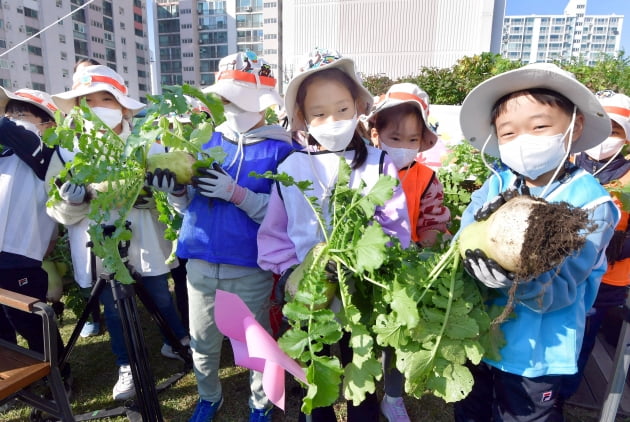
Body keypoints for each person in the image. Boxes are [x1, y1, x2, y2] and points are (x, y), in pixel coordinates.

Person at [452, 63, 619, 421]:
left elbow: (563, 290)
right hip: (480, 336)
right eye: (508, 133)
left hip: (537, 353)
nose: (524, 140)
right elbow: (464, 236)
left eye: (540, 126)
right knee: (471, 412)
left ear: (575, 127)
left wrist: (519, 279)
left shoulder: (591, 205)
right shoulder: (498, 185)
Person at [257, 51, 411, 422]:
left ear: (358, 106)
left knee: (361, 363)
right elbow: (275, 234)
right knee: (318, 369)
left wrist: (362, 260)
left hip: (363, 289)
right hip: (311, 294)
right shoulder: (290, 167)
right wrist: (295, 271)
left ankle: (364, 412)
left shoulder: (377, 163)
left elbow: (395, 228)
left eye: (342, 109)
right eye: (320, 113)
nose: (333, 121)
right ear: (302, 117)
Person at [146, 52, 295, 422]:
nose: (227, 105)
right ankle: (208, 396)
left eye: (234, 97)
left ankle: (260, 403)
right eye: (225, 97)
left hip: (249, 265)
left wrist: (237, 194)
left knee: (256, 342)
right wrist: (174, 191)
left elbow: (285, 217)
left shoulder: (283, 149)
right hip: (199, 260)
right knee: (203, 341)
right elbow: (187, 207)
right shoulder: (203, 141)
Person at [48, 64, 189, 401]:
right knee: (112, 306)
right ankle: (126, 365)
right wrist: (73, 201)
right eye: (89, 100)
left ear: (124, 107)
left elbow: (174, 199)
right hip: (100, 243)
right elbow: (55, 208)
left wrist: (155, 197)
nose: (97, 107)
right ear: (80, 108)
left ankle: (177, 340)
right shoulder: (69, 151)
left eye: (106, 99)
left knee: (158, 293)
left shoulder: (149, 148)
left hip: (145, 239)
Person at [365, 82, 450, 421]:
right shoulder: (363, 169)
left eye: (412, 140)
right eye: (394, 139)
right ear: (376, 135)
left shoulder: (427, 178)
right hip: (364, 267)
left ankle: (394, 395)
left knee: (398, 337)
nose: (403, 147)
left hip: (406, 270)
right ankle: (366, 393)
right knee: (365, 333)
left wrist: (420, 249)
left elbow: (434, 222)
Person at [559, 91, 630, 403]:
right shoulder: (569, 161)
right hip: (561, 269)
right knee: (557, 328)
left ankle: (562, 396)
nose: (607, 138)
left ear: (626, 138)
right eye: (605, 128)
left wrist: (619, 242)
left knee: (583, 337)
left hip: (607, 279)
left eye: (616, 131)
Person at [0, 87, 73, 393]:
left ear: (47, 124)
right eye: (10, 111)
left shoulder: (45, 153)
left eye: (21, 113)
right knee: (3, 328)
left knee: (32, 324)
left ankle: (59, 377)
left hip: (22, 254)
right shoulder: (6, 154)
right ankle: (17, 380)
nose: (13, 118)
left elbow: (12, 132)